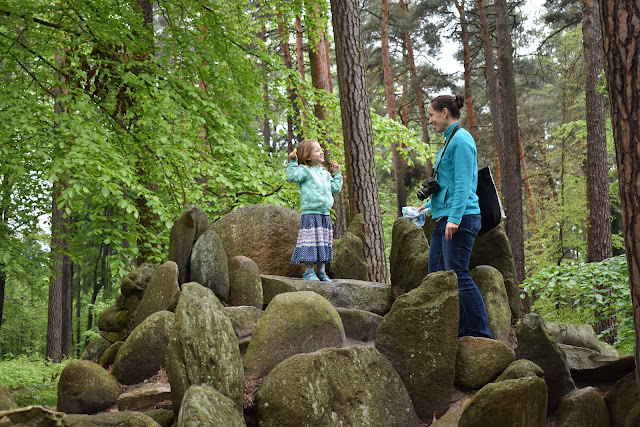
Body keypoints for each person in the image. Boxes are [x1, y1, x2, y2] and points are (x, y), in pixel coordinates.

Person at [418, 94, 492, 338]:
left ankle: (480, 334)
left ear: (445, 113)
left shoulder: (461, 141)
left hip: (460, 218)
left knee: (458, 275)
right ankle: (456, 332)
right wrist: (428, 207)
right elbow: (447, 184)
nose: (430, 121)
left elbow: (463, 184)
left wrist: (455, 219)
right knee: (437, 276)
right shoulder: (450, 141)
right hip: (445, 217)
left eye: (431, 114)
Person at [287, 139, 343, 281]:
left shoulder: (325, 173)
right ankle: (309, 271)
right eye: (317, 150)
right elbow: (291, 177)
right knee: (310, 241)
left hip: (324, 213)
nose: (321, 152)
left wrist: (337, 174)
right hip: (311, 212)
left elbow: (335, 188)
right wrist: (293, 163)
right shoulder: (304, 170)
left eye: (321, 149)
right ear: (307, 157)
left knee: (324, 242)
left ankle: (322, 272)